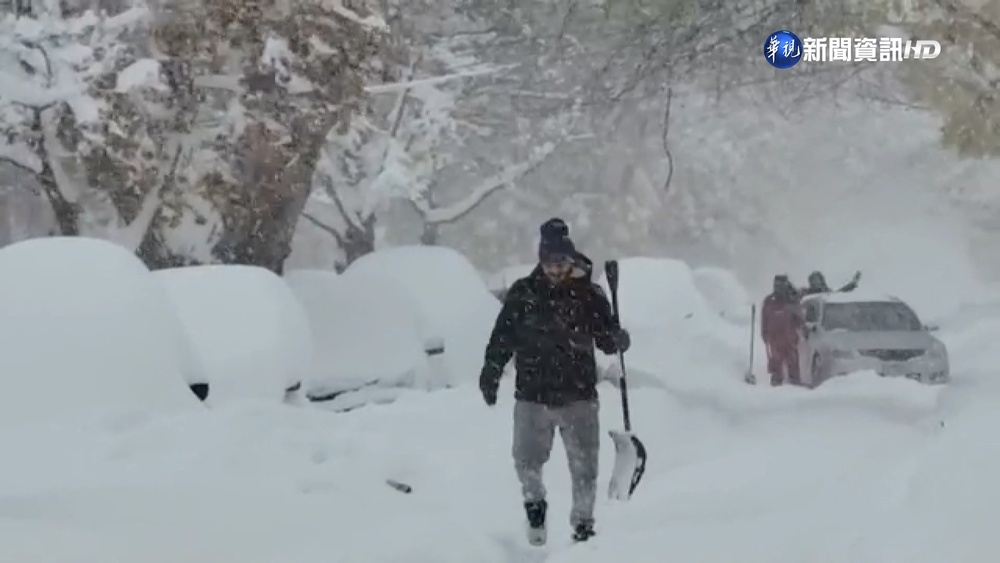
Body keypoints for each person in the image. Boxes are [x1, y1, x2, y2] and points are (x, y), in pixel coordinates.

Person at [478, 217, 631, 545]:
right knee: (526, 460)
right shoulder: (523, 294)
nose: (556, 271)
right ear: (541, 260)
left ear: (570, 259)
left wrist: (618, 338)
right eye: (550, 264)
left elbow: (605, 339)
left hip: (579, 397)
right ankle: (535, 504)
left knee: (585, 468)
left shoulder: (589, 294)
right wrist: (491, 370)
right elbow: (502, 337)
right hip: (533, 396)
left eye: (561, 263)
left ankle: (584, 526)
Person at [761, 274, 803, 386]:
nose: (779, 288)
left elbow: (799, 319)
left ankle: (795, 387)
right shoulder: (769, 301)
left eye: (781, 285)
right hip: (774, 339)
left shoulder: (792, 301)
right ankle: (776, 388)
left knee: (793, 365)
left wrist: (796, 327)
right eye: (777, 285)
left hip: (790, 338)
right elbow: (764, 319)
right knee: (776, 365)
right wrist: (764, 334)